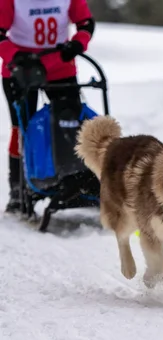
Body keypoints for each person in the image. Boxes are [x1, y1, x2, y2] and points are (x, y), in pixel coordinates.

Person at [0, 0, 95, 212]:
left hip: (61, 66)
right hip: (21, 70)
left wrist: (78, 43)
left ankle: (77, 179)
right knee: (22, 128)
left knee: (71, 123)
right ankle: (18, 190)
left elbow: (86, 22)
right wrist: (14, 54)